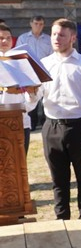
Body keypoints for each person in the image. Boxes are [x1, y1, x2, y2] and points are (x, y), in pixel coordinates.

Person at [39, 18, 81, 220]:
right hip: (52, 126)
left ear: (73, 38)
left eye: (61, 35)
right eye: (54, 34)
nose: (56, 38)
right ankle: (62, 218)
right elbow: (34, 98)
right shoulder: (44, 64)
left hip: (78, 126)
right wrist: (29, 92)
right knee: (58, 178)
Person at [0, 23, 39, 154]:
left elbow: (33, 95)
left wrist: (30, 99)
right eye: (1, 38)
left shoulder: (22, 63)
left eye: (8, 38)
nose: (5, 41)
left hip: (19, 121)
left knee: (19, 162)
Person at [17, 15, 50, 130]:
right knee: (31, 96)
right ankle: (33, 124)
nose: (38, 26)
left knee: (45, 96)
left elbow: (52, 55)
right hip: (28, 72)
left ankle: (45, 122)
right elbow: (18, 55)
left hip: (44, 71)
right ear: (31, 24)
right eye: (36, 23)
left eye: (41, 24)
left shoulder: (48, 39)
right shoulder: (23, 38)